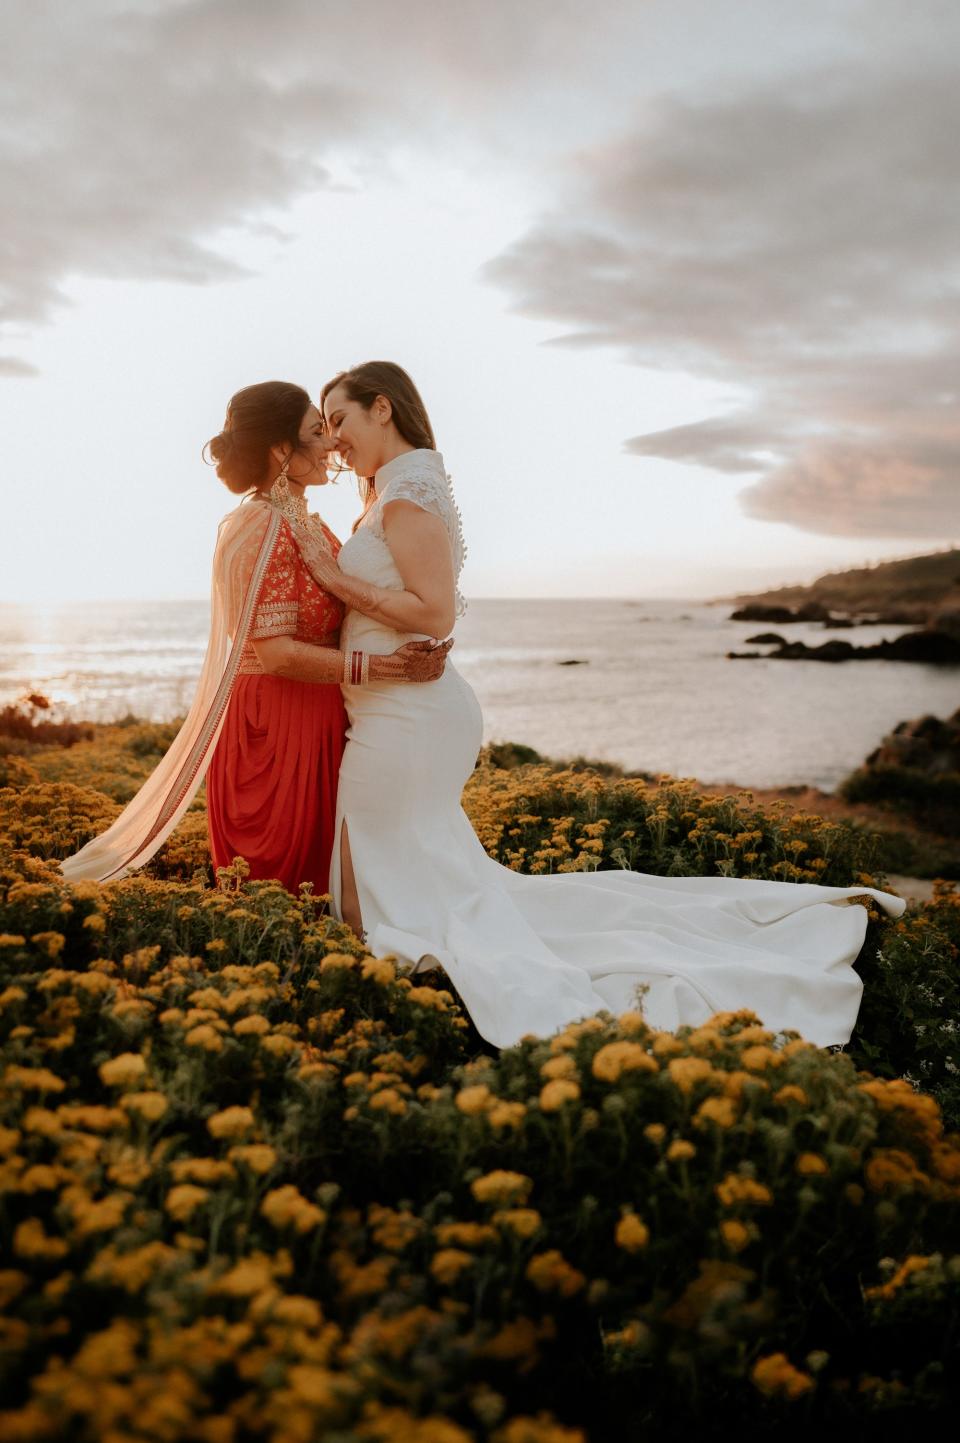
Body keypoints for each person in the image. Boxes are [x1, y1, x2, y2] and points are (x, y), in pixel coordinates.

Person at [274, 361, 908, 1051]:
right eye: (325, 426)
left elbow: (433, 609)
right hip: (398, 711)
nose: (333, 439)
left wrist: (335, 577)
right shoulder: (395, 487)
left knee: (377, 884)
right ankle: (406, 979)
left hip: (408, 719)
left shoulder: (407, 496)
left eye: (340, 420)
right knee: (415, 879)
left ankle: (401, 1008)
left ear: (383, 409)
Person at [59, 380, 449, 890]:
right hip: (276, 727)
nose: (331, 444)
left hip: (322, 719)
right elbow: (277, 654)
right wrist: (385, 667)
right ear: (281, 449)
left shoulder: (302, 518)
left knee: (328, 887)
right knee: (283, 891)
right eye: (317, 430)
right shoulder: (262, 525)